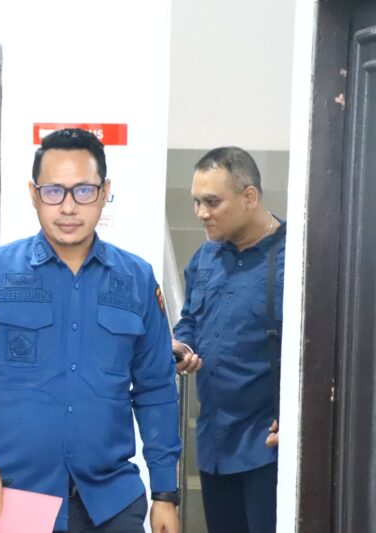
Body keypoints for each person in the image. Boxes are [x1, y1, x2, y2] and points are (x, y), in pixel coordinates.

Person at [0, 128, 181, 533]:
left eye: (83, 191)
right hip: (10, 499)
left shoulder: (136, 279)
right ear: (34, 195)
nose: (68, 207)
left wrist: (166, 492)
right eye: (53, 192)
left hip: (111, 503)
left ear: (104, 192)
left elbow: (156, 388)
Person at [172, 146, 285, 533]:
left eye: (212, 202)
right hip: (215, 444)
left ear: (249, 197)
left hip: (268, 447)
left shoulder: (297, 259)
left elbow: (324, 349)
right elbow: (190, 320)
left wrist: (301, 416)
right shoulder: (204, 259)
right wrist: (181, 346)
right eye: (196, 202)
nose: (201, 213)